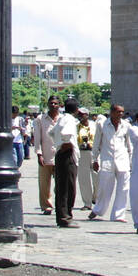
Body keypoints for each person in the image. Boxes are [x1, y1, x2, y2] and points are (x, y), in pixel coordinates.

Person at [89, 104, 132, 222]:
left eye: (122, 112)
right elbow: (96, 143)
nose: (120, 114)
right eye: (118, 112)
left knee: (123, 189)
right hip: (107, 159)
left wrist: (131, 161)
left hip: (122, 160)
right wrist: (94, 160)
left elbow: (129, 145)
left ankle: (118, 215)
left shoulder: (126, 125)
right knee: (104, 188)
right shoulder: (102, 125)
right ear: (112, 112)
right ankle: (98, 210)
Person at [51, 98, 81, 228]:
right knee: (67, 188)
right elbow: (66, 135)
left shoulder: (62, 119)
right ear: (76, 109)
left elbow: (51, 133)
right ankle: (65, 217)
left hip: (62, 154)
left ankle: (64, 216)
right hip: (67, 155)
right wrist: (66, 146)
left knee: (63, 187)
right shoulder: (69, 120)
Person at [33, 95, 62, 215]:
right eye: (51, 103)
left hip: (60, 155)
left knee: (60, 184)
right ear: (48, 104)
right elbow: (37, 138)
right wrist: (39, 154)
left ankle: (60, 204)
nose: (53, 105)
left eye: (56, 103)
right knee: (44, 184)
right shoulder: (40, 119)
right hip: (45, 155)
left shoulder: (63, 119)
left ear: (59, 105)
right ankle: (46, 206)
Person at [76, 108, 98, 210]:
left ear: (87, 115)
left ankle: (96, 197)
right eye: (79, 114)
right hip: (82, 153)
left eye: (82, 114)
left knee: (97, 177)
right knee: (84, 179)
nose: (80, 116)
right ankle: (87, 202)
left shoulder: (95, 125)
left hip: (94, 153)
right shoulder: (76, 127)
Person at [10, 105, 27, 170]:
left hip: (19, 140)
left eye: (16, 114)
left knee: (21, 157)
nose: (14, 115)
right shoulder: (8, 120)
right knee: (14, 158)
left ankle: (16, 168)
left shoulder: (20, 119)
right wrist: (12, 128)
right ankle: (14, 170)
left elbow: (24, 129)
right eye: (13, 114)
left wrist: (21, 129)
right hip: (12, 141)